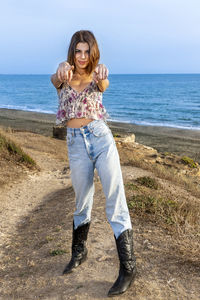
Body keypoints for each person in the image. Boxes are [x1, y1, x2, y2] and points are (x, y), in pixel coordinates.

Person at [51, 30, 136, 296]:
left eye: (87, 51)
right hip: (75, 143)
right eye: (78, 51)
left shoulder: (97, 77)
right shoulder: (62, 77)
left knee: (115, 198)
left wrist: (102, 73)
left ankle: (128, 268)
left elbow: (104, 81)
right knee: (82, 200)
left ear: (93, 53)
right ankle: (79, 252)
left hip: (101, 138)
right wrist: (60, 67)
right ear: (72, 53)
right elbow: (55, 77)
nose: (82, 57)